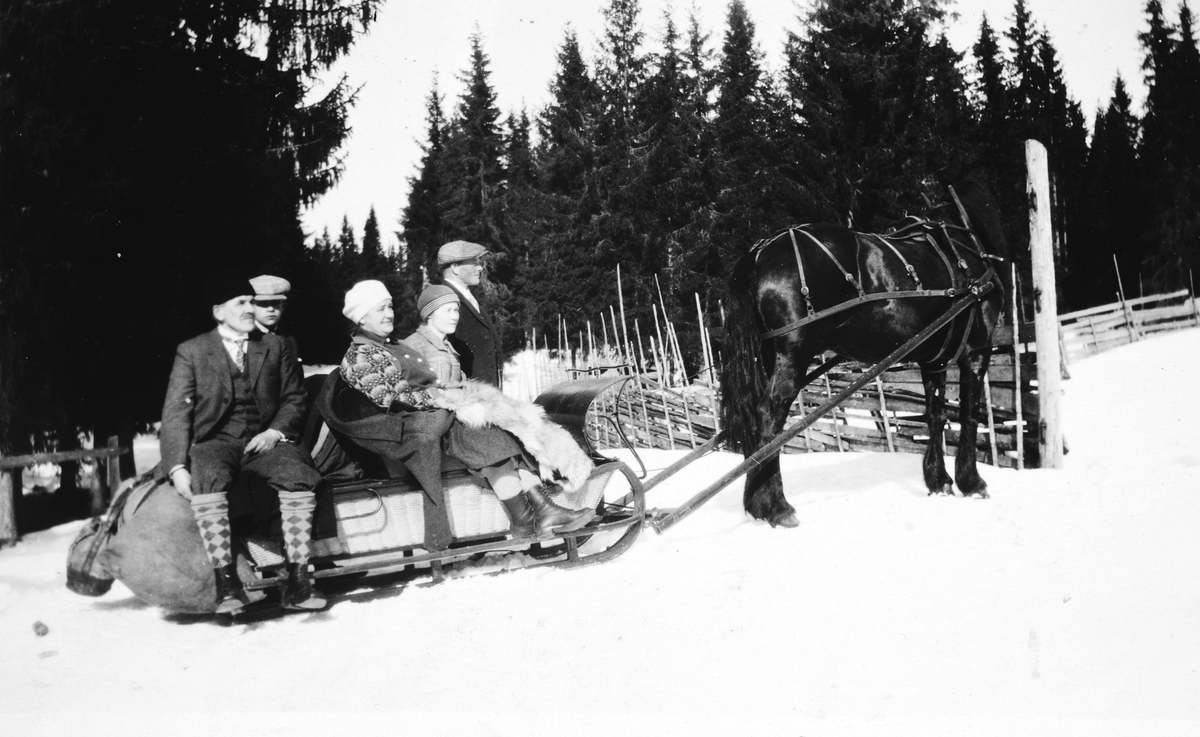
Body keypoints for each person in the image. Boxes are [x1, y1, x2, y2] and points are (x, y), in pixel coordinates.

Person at [336, 280, 592, 542]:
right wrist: (444, 398)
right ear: (362, 318)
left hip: (433, 420)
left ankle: (537, 514)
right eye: (380, 309)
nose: (389, 313)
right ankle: (530, 517)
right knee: (488, 437)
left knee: (502, 435)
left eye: (390, 306)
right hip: (410, 434)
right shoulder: (361, 355)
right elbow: (390, 398)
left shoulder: (392, 346)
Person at [160, 272, 325, 613]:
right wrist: (176, 466)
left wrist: (274, 433)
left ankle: (297, 581)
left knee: (297, 474)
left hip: (265, 440)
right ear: (219, 311)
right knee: (207, 478)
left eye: (252, 301)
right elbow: (176, 413)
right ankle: (226, 585)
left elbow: (294, 399)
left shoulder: (275, 346)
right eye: (242, 303)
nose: (250, 309)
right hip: (215, 442)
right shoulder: (193, 351)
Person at [437, 240, 502, 387]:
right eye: (474, 263)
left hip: (486, 396)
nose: (480, 268)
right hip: (469, 397)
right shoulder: (444, 301)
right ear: (455, 267)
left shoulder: (468, 297)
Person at [404, 284, 463, 384]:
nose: (454, 317)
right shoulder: (412, 346)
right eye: (448, 310)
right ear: (430, 314)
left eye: (456, 310)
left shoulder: (448, 346)